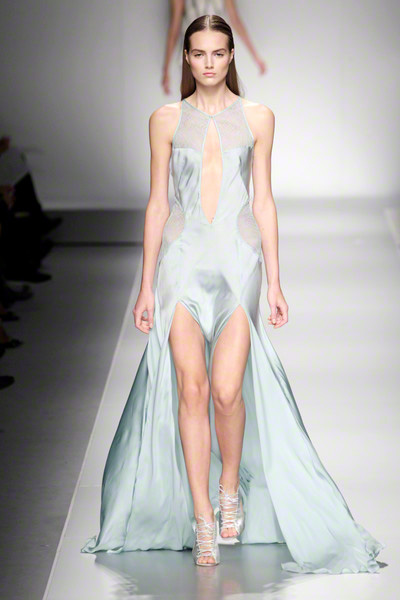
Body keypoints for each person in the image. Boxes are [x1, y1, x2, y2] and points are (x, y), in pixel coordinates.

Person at [81, 15, 385, 572]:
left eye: (218, 53)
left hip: (238, 267)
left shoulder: (258, 117)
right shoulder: (165, 120)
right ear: (187, 58)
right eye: (199, 54)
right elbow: (158, 204)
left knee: (225, 393)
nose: (209, 63)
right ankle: (203, 517)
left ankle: (229, 486)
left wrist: (275, 280)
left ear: (230, 57)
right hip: (180, 268)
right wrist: (145, 286)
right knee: (191, 390)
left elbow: (263, 200)